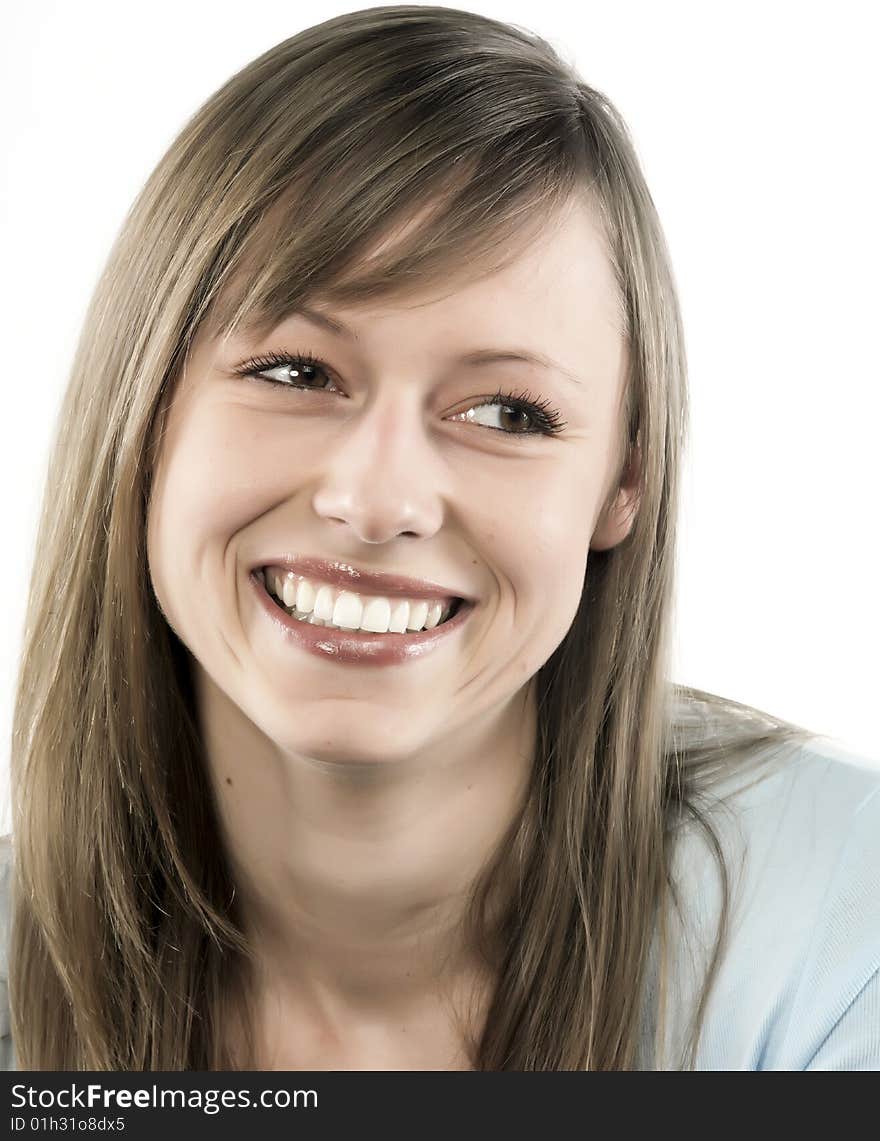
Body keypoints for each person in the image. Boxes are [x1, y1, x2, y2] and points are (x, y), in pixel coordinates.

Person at [2, 4, 878, 1072]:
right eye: (295, 372)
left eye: (509, 412)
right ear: (139, 416)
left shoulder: (846, 929)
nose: (378, 503)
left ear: (625, 479)